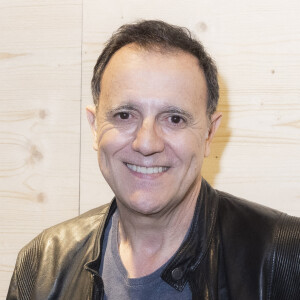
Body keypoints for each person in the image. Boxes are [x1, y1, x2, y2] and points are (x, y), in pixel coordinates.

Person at [7, 20, 300, 300]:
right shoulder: (40, 266)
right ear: (95, 127)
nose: (146, 143)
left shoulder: (287, 259)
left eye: (174, 119)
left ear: (209, 133)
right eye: (124, 115)